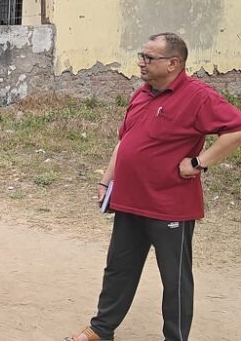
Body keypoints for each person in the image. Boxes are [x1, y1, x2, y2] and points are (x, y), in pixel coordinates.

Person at [64, 33, 241, 341]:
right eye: (141, 56)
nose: (140, 63)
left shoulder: (198, 96)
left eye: (149, 57)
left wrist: (199, 162)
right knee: (118, 268)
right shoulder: (142, 93)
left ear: (173, 63)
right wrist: (106, 179)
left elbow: (236, 130)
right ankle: (101, 329)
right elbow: (125, 141)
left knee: (175, 280)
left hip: (169, 205)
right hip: (129, 200)